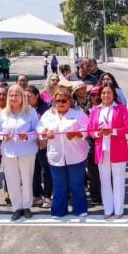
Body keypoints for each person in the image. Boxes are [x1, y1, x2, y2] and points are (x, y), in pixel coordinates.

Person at [38, 86, 89, 218]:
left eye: (64, 101)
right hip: (56, 156)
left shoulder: (77, 113)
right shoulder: (48, 114)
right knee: (59, 185)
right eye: (58, 101)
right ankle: (59, 211)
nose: (60, 103)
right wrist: (44, 132)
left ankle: (80, 209)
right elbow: (39, 127)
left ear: (69, 101)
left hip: (76, 155)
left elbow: (87, 127)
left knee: (76, 184)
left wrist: (77, 134)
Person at [0, 84, 40, 221]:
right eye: (11, 95)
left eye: (16, 95)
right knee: (12, 181)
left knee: (27, 179)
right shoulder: (3, 113)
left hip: (27, 151)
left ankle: (26, 206)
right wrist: (3, 137)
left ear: (22, 96)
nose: (13, 98)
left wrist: (27, 136)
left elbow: (37, 130)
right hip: (8, 152)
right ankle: (17, 207)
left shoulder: (31, 112)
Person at [88, 84, 128, 218]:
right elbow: (90, 129)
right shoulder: (95, 110)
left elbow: (126, 127)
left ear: (114, 95)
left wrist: (113, 131)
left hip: (118, 148)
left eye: (109, 93)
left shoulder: (121, 108)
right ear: (100, 95)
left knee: (118, 180)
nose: (106, 95)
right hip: (101, 149)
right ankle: (108, 209)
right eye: (104, 93)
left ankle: (118, 210)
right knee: (104, 180)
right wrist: (97, 134)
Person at [25, 86, 52, 207]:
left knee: (46, 169)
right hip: (30, 143)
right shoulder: (24, 109)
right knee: (33, 169)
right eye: (25, 96)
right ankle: (36, 194)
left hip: (43, 143)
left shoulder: (47, 108)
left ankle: (47, 196)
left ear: (37, 95)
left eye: (29, 96)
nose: (26, 99)